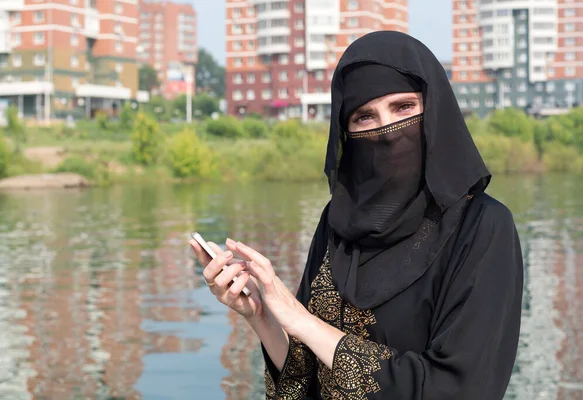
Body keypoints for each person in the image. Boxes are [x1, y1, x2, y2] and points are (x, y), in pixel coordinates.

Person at [190, 31, 523, 400]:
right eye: (365, 116)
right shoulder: (338, 223)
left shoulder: (482, 227)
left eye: (403, 108)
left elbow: (461, 388)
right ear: (345, 132)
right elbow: (305, 380)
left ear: (435, 110)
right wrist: (261, 316)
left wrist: (303, 321)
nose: (386, 131)